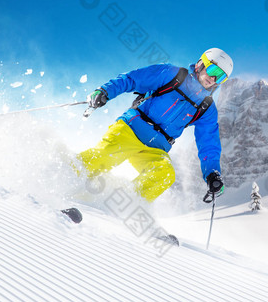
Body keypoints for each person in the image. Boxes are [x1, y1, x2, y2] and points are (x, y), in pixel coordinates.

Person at [77, 48, 233, 203]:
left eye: (220, 77)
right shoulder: (173, 75)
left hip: (156, 148)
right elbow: (133, 79)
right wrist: (105, 91)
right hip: (131, 129)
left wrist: (212, 173)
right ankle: (66, 172)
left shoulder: (207, 107)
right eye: (213, 70)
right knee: (101, 158)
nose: (213, 79)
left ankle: (126, 203)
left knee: (164, 174)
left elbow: (208, 143)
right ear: (200, 64)